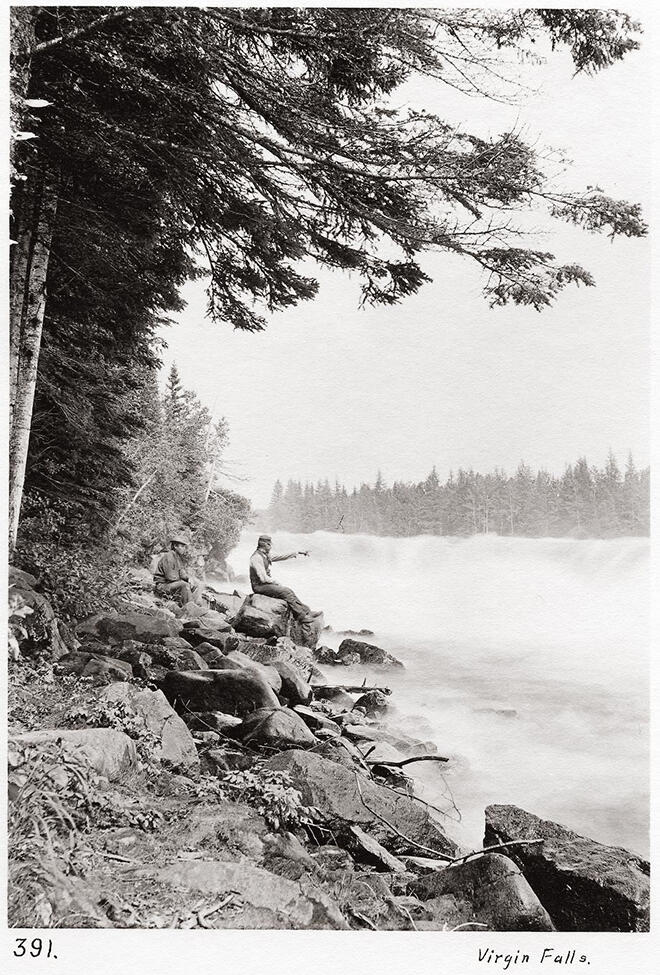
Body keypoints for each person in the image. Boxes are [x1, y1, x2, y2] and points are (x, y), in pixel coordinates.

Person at [249, 534, 321, 623]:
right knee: (285, 592)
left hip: (265, 584)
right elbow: (263, 578)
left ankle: (307, 612)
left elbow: (281, 556)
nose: (271, 546)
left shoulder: (265, 555)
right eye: (269, 544)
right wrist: (276, 582)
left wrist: (298, 552)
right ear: (264, 545)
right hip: (259, 586)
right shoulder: (256, 558)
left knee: (289, 591)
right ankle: (300, 616)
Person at [154, 532, 204, 606]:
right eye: (182, 546)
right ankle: (189, 606)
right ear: (175, 546)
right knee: (184, 584)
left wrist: (189, 578)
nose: (184, 549)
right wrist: (185, 581)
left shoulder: (178, 558)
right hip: (162, 586)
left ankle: (195, 604)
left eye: (184, 546)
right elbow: (170, 577)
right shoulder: (169, 557)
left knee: (198, 584)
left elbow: (182, 573)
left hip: (171, 585)